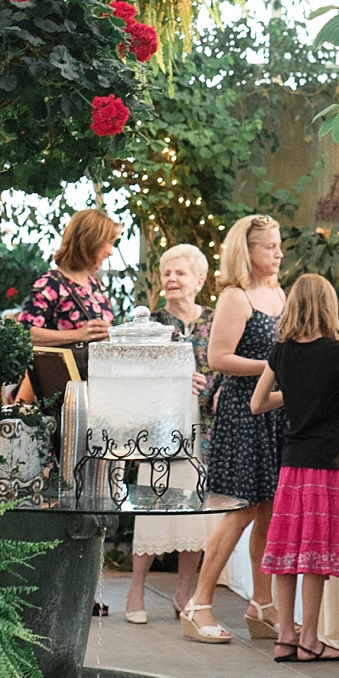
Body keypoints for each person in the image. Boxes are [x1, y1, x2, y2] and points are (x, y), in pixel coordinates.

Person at [252, 272, 339, 663]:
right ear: (328, 306)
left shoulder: (281, 352)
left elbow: (258, 403)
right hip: (327, 463)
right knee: (315, 556)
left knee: (289, 551)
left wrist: (297, 393)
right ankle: (310, 638)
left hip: (291, 465)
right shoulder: (338, 353)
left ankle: (285, 637)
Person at [185, 214, 287, 645]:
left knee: (268, 509)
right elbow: (218, 358)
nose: (279, 254)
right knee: (241, 509)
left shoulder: (279, 293)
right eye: (270, 247)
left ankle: (261, 605)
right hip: (244, 412)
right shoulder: (235, 296)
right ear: (246, 252)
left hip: (276, 411)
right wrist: (276, 367)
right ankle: (199, 603)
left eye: (280, 246)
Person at [125, 242, 215, 627]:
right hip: (161, 430)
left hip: (203, 430)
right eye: (167, 273)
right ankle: (136, 589)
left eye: (180, 273)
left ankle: (183, 593)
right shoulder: (151, 323)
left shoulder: (214, 319)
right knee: (152, 503)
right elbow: (134, 374)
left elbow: (223, 369)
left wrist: (205, 384)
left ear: (199, 279)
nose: (172, 279)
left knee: (193, 508)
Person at [18, 209, 120, 396]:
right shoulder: (51, 284)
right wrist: (78, 335)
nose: (110, 252)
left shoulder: (94, 283)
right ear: (91, 241)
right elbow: (24, 333)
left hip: (96, 388)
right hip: (63, 394)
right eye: (109, 243)